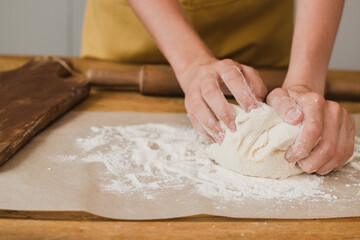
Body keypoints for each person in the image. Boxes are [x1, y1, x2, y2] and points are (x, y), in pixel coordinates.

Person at [81, 0, 355, 175]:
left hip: (259, 33)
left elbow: (301, 86)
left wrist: (304, 81)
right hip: (136, 35)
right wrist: (190, 62)